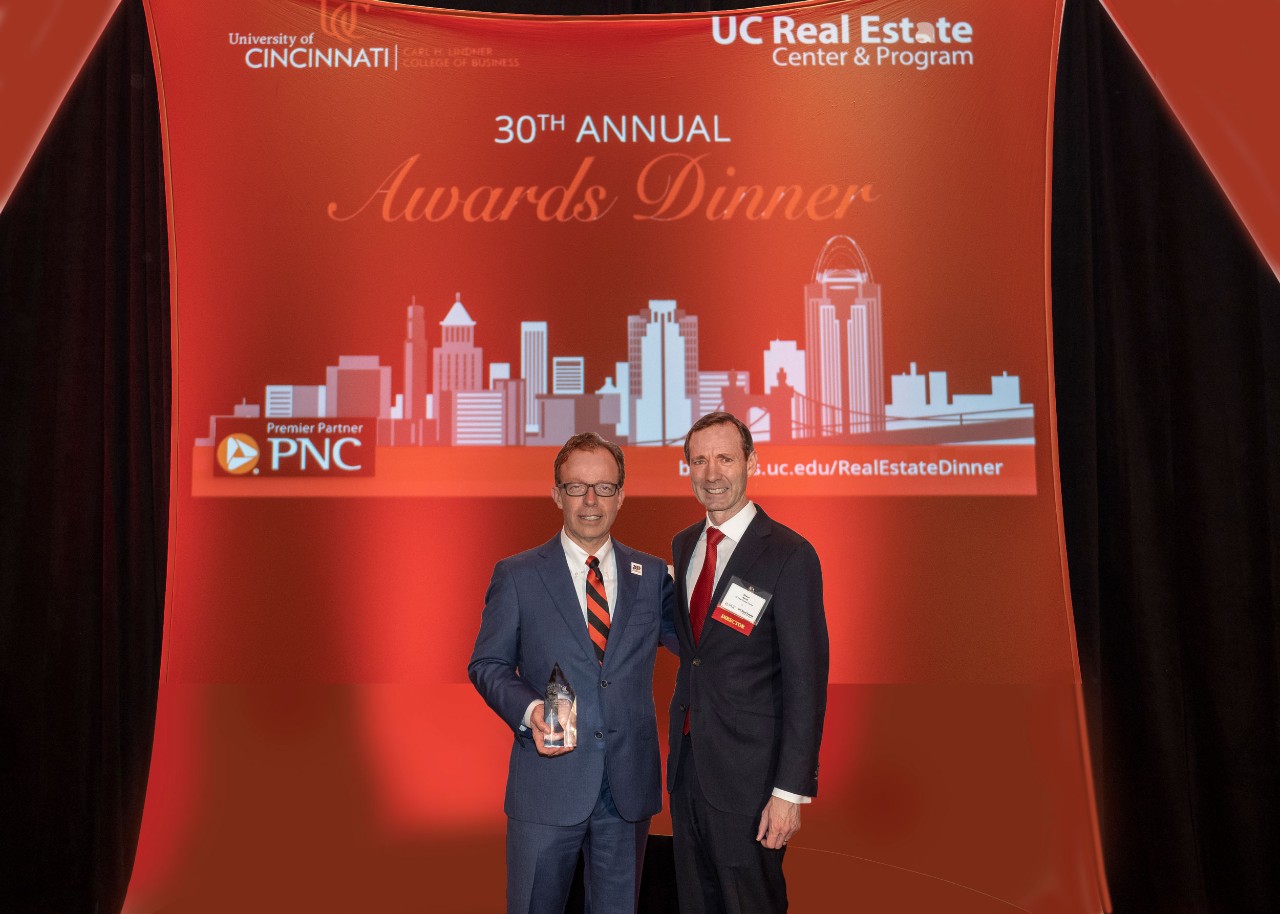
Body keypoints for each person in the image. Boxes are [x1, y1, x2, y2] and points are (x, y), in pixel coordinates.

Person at [469, 432, 676, 914]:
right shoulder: (517, 574)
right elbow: (487, 664)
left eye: (604, 488)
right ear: (556, 493)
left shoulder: (652, 577)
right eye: (577, 487)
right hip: (546, 786)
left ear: (621, 495)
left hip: (626, 791)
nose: (590, 501)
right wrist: (530, 708)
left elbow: (698, 648)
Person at [667, 411, 829, 914]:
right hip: (689, 767)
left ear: (751, 462)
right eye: (699, 460)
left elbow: (807, 680)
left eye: (724, 458)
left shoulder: (789, 554)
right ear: (687, 468)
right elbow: (697, 654)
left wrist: (790, 792)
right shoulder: (684, 545)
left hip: (753, 780)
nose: (712, 473)